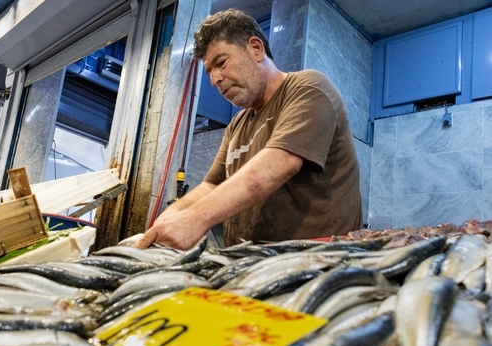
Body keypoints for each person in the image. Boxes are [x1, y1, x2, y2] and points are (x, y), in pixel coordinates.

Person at [135, 8, 362, 250]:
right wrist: (167, 221)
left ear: (256, 48)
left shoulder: (308, 88)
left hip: (315, 262)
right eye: (209, 71)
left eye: (221, 63)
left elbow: (280, 161)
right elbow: (211, 185)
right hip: (250, 262)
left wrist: (195, 219)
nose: (214, 79)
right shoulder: (237, 124)